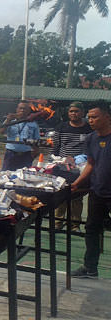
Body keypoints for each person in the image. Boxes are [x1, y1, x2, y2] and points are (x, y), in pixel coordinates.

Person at [70, 101, 111, 279]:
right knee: (92, 229)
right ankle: (90, 268)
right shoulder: (91, 138)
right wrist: (77, 182)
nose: (91, 120)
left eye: (94, 117)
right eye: (89, 117)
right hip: (97, 191)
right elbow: (91, 164)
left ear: (107, 117)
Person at [53, 101, 92, 230]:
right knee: (61, 195)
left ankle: (75, 225)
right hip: (63, 167)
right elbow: (56, 147)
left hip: (81, 167)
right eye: (71, 111)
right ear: (68, 113)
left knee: (77, 197)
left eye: (76, 111)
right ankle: (58, 223)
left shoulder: (89, 128)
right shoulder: (61, 127)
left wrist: (81, 161)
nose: (74, 113)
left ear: (82, 112)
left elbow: (91, 148)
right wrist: (55, 161)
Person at [2, 100, 40, 171]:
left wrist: (34, 154)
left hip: (26, 155)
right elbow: (1, 132)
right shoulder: (10, 121)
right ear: (17, 109)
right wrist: (8, 119)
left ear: (28, 111)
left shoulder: (33, 124)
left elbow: (36, 141)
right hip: (11, 154)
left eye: (25, 109)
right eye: (20, 108)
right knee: (6, 176)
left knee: (23, 177)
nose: (22, 110)